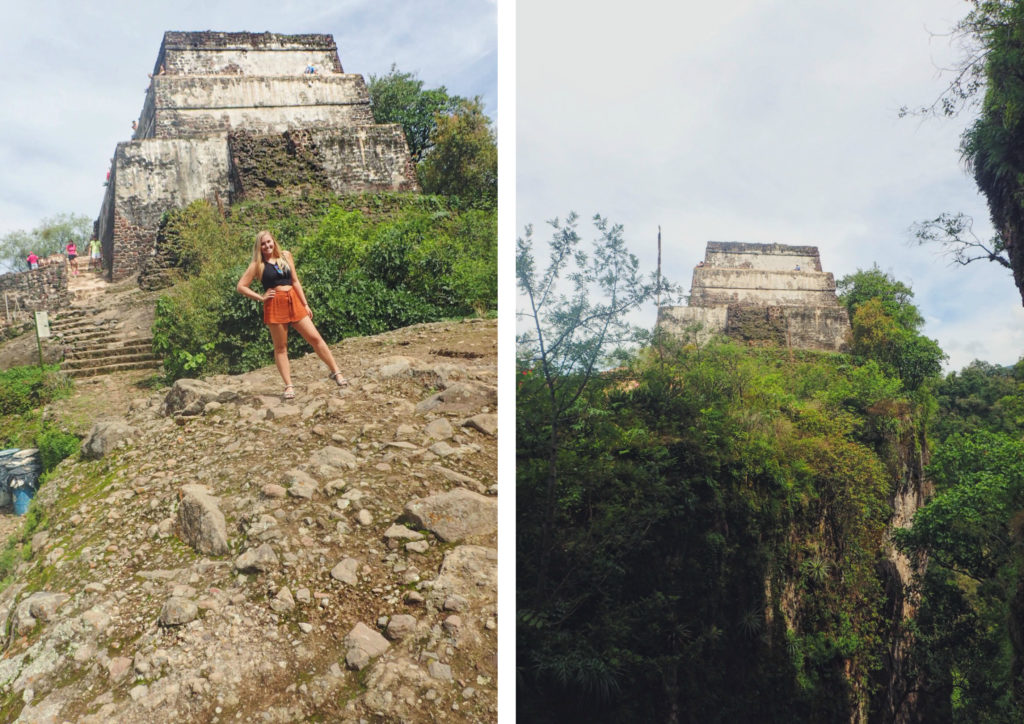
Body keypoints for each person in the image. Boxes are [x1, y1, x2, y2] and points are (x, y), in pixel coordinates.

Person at [236, 230, 347, 399]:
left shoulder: (286, 256)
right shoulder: (257, 264)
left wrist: (305, 304)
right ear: (259, 247)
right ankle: (288, 386)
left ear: (273, 241)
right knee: (281, 348)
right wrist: (261, 297)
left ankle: (336, 372)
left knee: (315, 338)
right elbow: (241, 286)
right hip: (274, 304)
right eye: (263, 244)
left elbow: (295, 281)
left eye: (269, 242)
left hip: (293, 300)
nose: (267, 246)